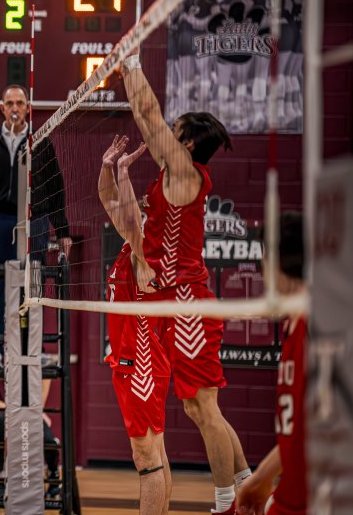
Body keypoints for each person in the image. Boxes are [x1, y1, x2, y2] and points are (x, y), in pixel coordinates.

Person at [120, 51, 250, 514]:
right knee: (201, 408)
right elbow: (145, 116)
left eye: (177, 133)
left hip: (190, 304)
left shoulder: (184, 174)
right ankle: (247, 485)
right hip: (177, 303)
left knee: (203, 409)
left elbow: (149, 116)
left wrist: (131, 63)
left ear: (188, 143)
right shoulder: (170, 177)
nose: (166, 136)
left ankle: (225, 503)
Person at [0, 84, 72, 369]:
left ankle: (32, 348)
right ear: (2, 108)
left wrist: (62, 232)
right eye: (9, 103)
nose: (15, 108)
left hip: (35, 220)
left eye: (20, 103)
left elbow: (55, 189)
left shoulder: (41, 142)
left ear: (27, 108)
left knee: (34, 283)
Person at [98, 134, 172, 515]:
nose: (141, 208)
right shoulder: (135, 246)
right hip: (138, 359)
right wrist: (107, 167)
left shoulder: (149, 252)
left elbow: (127, 215)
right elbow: (109, 202)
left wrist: (123, 172)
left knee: (146, 456)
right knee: (155, 449)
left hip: (140, 360)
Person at [237, 212, 307, 515]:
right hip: (293, 492)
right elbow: (302, 429)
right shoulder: (296, 323)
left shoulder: (317, 328)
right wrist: (262, 477)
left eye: (264, 261)